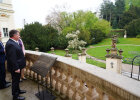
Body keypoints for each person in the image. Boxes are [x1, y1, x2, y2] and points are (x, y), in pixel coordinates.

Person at [5, 30, 26, 100]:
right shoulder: (10, 44)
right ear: (14, 35)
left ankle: (18, 91)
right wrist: (16, 68)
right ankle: (15, 96)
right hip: (15, 68)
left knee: (17, 81)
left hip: (17, 66)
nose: (19, 36)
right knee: (15, 82)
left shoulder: (13, 42)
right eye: (18, 35)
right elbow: (12, 58)